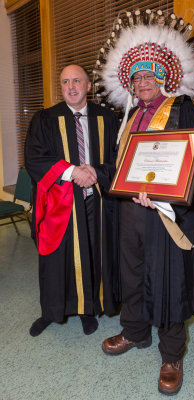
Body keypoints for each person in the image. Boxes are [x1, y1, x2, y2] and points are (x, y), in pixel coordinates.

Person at [94, 9, 194, 396]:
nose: (143, 81)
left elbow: (193, 166)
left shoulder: (181, 109)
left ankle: (172, 354)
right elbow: (120, 165)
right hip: (130, 211)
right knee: (131, 271)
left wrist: (164, 199)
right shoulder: (127, 117)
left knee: (169, 278)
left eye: (150, 75)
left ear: (164, 77)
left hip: (165, 214)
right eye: (137, 77)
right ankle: (134, 331)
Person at [25, 64, 120, 337]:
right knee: (55, 260)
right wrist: (72, 171)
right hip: (60, 203)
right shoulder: (44, 119)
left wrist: (95, 173)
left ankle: (87, 310)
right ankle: (51, 311)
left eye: (77, 81)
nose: (71, 87)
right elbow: (34, 158)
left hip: (96, 201)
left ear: (88, 86)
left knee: (91, 255)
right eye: (65, 82)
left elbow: (119, 157)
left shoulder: (107, 118)